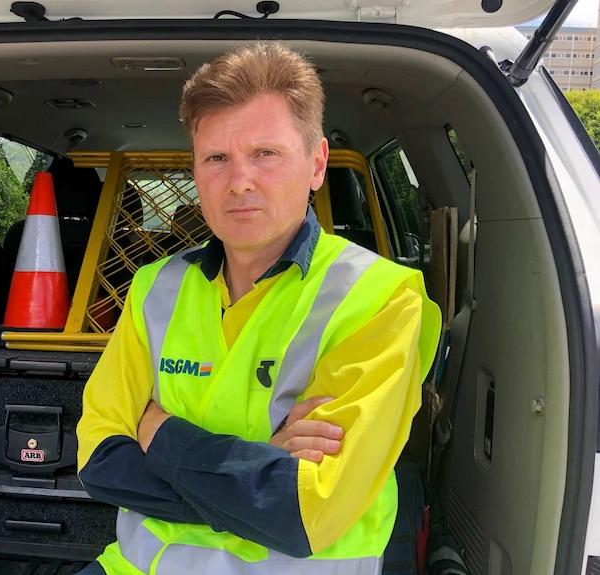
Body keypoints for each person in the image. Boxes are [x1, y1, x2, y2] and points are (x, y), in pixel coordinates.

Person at [75, 42, 441, 575]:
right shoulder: (154, 287)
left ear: (316, 164)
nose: (239, 181)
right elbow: (99, 463)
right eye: (216, 158)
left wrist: (156, 431)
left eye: (265, 154)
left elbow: (300, 513)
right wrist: (258, 464)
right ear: (196, 172)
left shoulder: (381, 297)